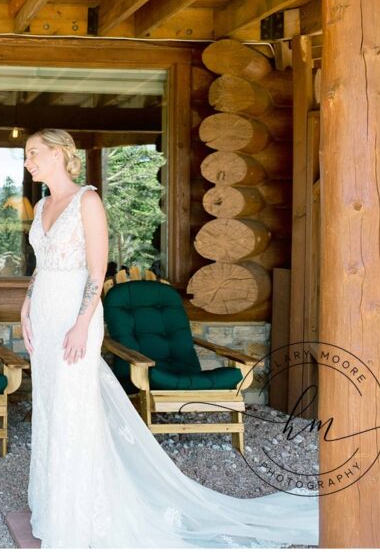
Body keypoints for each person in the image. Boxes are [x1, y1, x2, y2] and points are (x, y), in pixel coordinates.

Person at [20, 128, 317, 547]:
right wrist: (26, 305)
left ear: (57, 154)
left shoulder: (87, 200)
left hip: (75, 314)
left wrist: (83, 322)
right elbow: (41, 265)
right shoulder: (44, 205)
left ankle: (83, 513)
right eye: (27, 154)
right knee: (50, 407)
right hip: (45, 316)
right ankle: (53, 504)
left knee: (73, 409)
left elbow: (97, 268)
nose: (28, 160)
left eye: (34, 152)